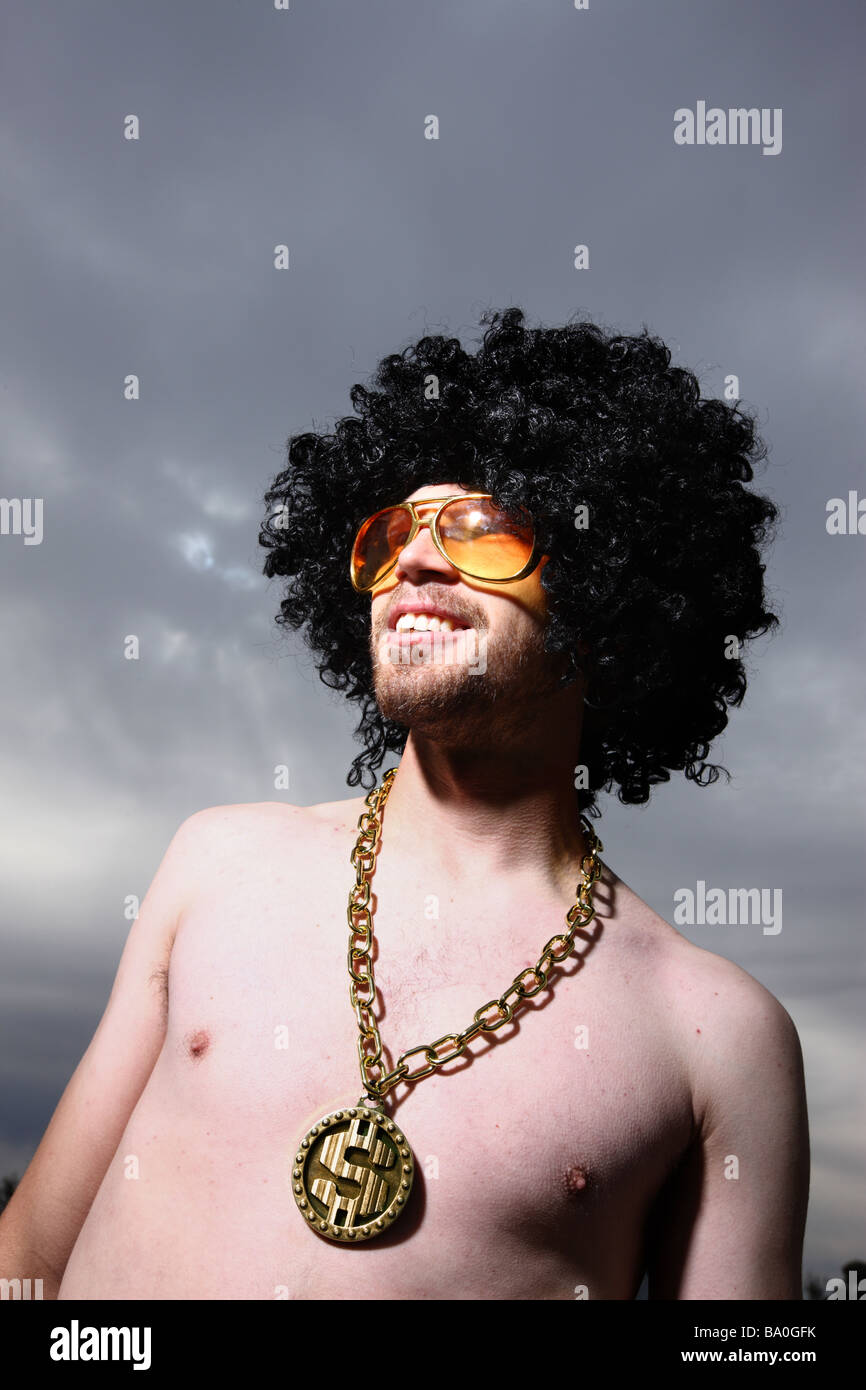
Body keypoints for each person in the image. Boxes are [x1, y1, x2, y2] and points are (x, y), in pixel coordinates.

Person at [0, 307, 808, 1299]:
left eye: (477, 530)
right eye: (390, 535)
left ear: (607, 592)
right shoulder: (214, 861)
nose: (412, 564)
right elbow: (26, 1260)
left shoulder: (716, 1035)